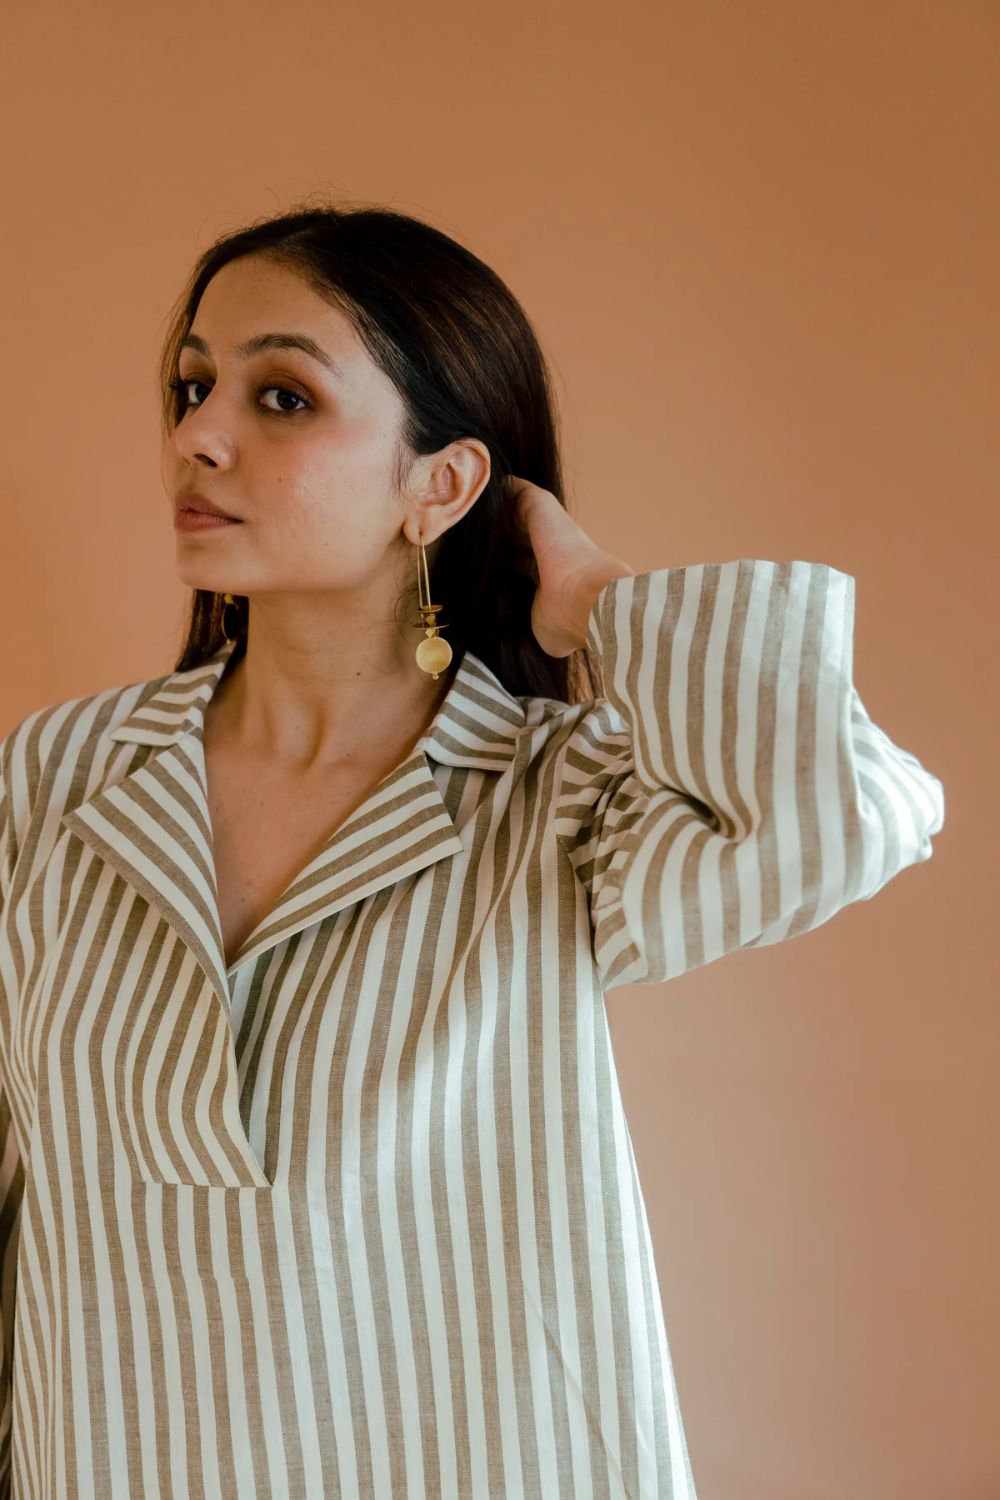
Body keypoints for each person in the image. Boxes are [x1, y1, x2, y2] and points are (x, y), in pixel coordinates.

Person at [0, 202, 945, 1500]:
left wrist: (603, 607)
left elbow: (846, 814)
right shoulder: (58, 779)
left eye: (282, 398)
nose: (197, 435)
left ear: (437, 485)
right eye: (193, 385)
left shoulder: (553, 799)